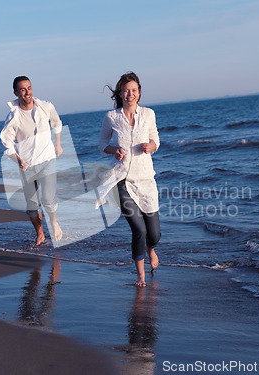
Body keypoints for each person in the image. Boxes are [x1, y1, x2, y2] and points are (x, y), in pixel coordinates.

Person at [98, 72, 161, 287]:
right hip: (121, 180)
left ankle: (151, 249)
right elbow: (102, 144)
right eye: (126, 90)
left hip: (145, 180)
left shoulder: (149, 114)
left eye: (133, 90)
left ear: (139, 92)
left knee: (154, 234)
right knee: (139, 230)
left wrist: (151, 146)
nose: (130, 94)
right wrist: (114, 150)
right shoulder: (111, 117)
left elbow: (156, 140)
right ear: (120, 93)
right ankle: (140, 276)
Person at [0, 76, 63, 245]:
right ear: (16, 93)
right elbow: (7, 143)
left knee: (49, 199)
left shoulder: (45, 107)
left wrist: (58, 144)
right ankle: (40, 233)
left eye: (29, 88)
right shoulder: (13, 117)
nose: (27, 92)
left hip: (47, 159)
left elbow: (56, 123)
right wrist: (18, 160)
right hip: (27, 165)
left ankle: (54, 223)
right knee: (32, 206)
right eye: (22, 89)